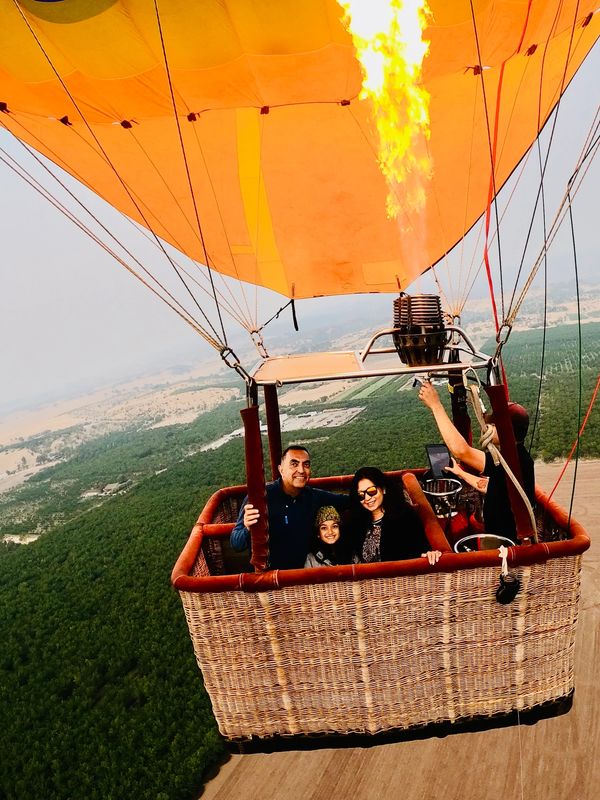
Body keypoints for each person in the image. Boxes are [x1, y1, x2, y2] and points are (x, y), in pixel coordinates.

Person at [418, 380, 535, 540]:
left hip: (507, 543)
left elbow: (462, 451)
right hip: (499, 536)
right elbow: (493, 486)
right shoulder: (514, 458)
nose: (487, 427)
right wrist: (460, 473)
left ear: (505, 430)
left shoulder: (514, 461)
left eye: (493, 424)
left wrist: (435, 405)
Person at [230, 444, 348, 570]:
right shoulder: (261, 498)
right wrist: (248, 528)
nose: (301, 470)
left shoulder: (312, 497)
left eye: (306, 464)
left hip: (304, 575)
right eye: (294, 464)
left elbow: (346, 501)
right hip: (271, 578)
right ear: (281, 470)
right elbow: (236, 543)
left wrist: (368, 493)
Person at [345, 467, 442, 565]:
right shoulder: (356, 522)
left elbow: (420, 548)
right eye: (361, 495)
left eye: (371, 491)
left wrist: (430, 554)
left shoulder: (404, 516)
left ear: (383, 489)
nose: (367, 498)